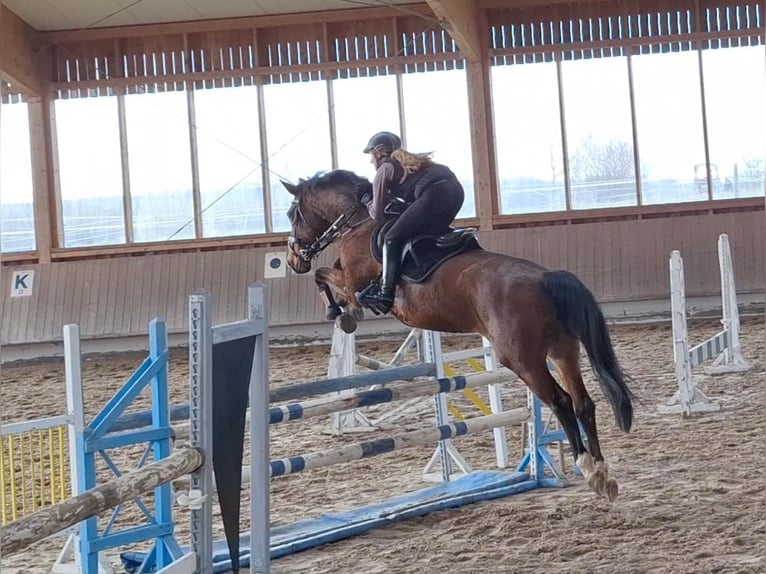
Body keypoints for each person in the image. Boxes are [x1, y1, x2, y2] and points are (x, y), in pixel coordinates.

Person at [355, 131, 465, 315]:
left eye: (370, 156)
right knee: (425, 232)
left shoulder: (385, 169)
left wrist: (366, 199)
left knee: (391, 238)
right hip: (456, 192)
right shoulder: (414, 163)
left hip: (433, 194)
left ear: (379, 152)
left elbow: (377, 215)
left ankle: (385, 296)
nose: (370, 161)